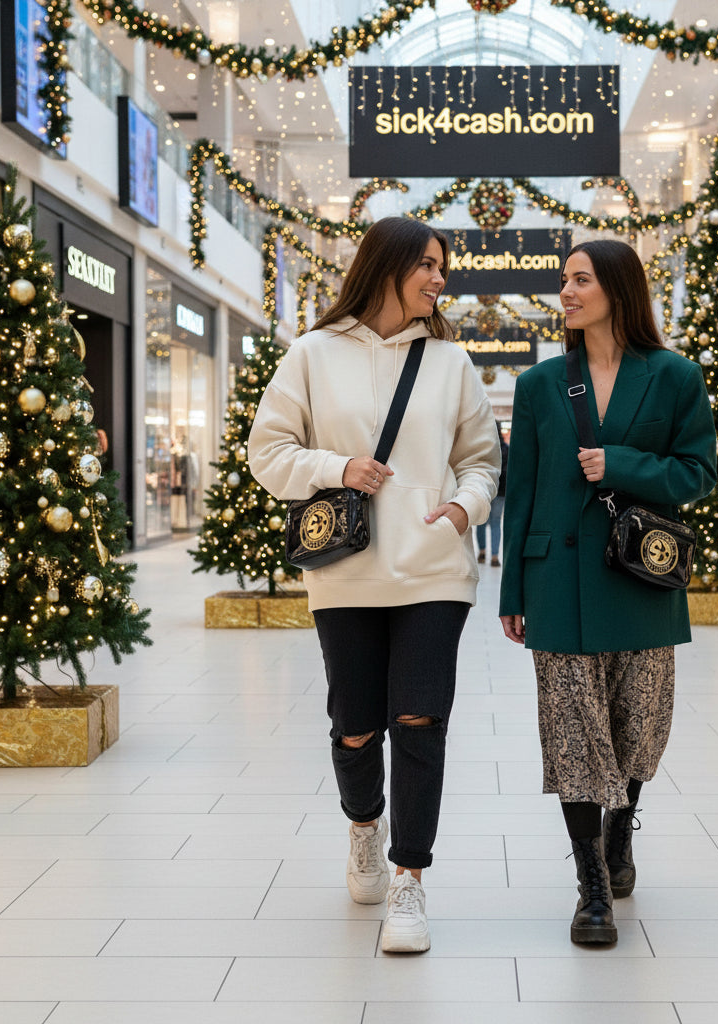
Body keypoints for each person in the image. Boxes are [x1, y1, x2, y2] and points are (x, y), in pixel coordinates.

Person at [248, 217, 501, 953]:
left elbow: (484, 458)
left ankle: (410, 880)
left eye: (442, 267)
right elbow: (267, 453)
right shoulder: (312, 354)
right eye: (427, 264)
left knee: (420, 723)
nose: (439, 278)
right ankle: (365, 825)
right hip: (347, 573)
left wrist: (464, 508)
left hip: (433, 572)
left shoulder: (451, 363)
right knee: (355, 726)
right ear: (386, 266)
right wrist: (337, 467)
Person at [499, 240, 716, 945]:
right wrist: (511, 590)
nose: (566, 291)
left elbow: (696, 474)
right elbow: (521, 492)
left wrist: (618, 463)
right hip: (557, 582)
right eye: (563, 280)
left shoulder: (675, 377)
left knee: (635, 730)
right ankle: (592, 887)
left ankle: (621, 828)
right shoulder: (538, 387)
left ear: (618, 290)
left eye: (580, 279)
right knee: (572, 734)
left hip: (641, 581)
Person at [476, 420, 507, 566]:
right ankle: (495, 556)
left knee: (481, 521)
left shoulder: (484, 448)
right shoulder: (506, 449)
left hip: (486, 489)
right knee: (495, 522)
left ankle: (482, 552)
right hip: (501, 492)